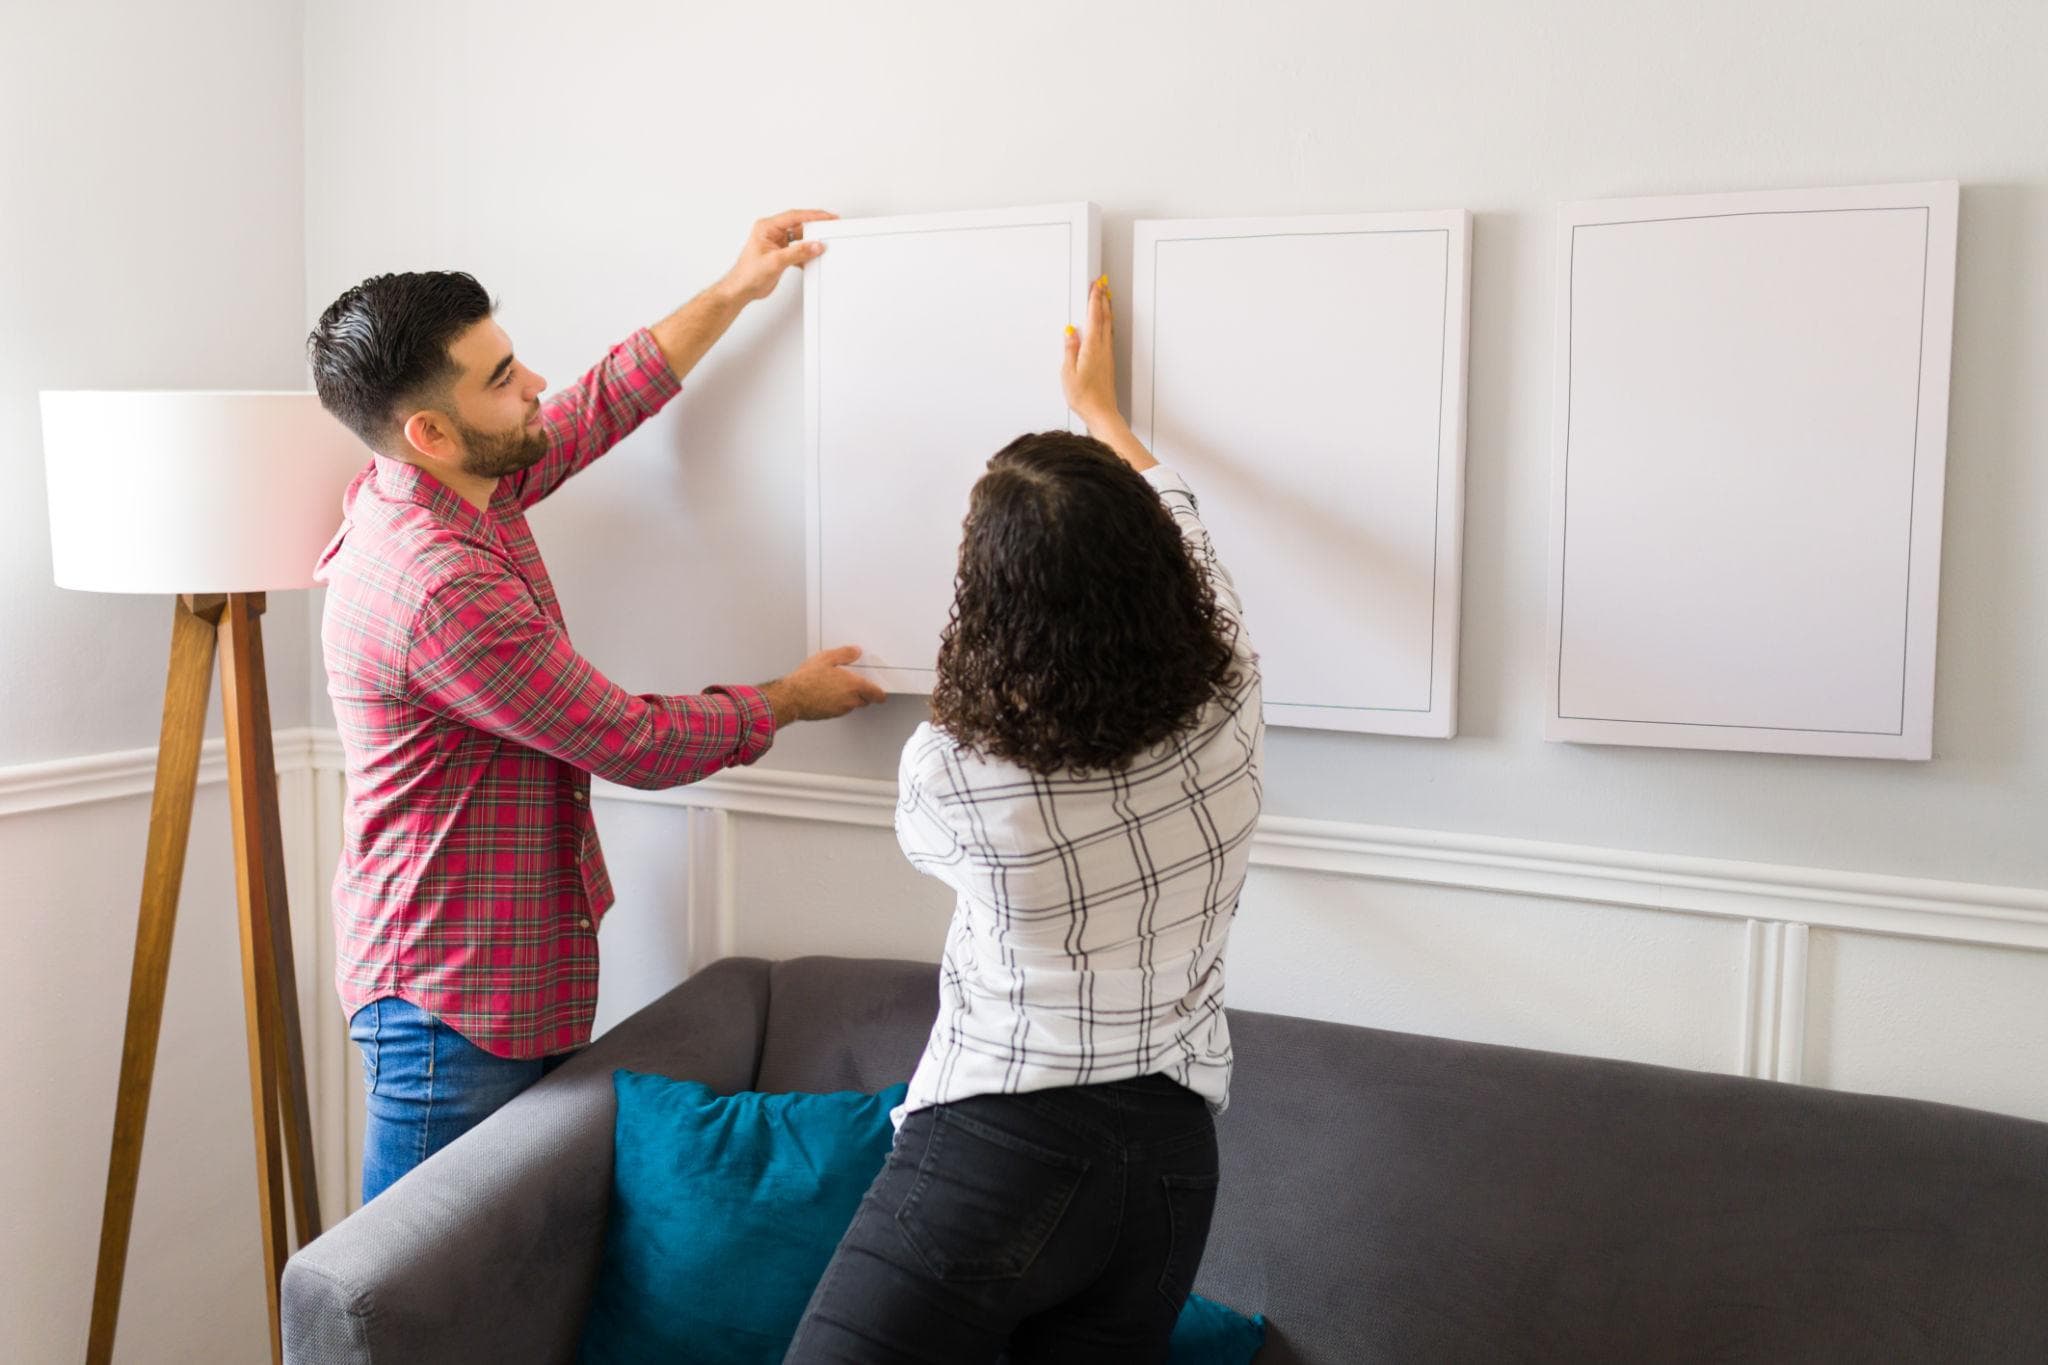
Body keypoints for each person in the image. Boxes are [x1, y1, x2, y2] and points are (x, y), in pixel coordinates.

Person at [307, 212, 886, 1203]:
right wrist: (788, 698)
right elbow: (634, 742)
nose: (533, 383)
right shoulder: (440, 586)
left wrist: (736, 287)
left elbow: (597, 404)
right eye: (502, 378)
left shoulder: (447, 481)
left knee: (508, 1263)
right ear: (430, 432)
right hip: (451, 1003)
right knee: (413, 1278)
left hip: (496, 973)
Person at [786, 275, 1264, 1363]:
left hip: (1003, 1139)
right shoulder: (1232, 675)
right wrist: (1101, 414)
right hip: (1172, 1161)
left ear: (990, 602)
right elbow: (1178, 511)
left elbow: (929, 844)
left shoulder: (956, 769)